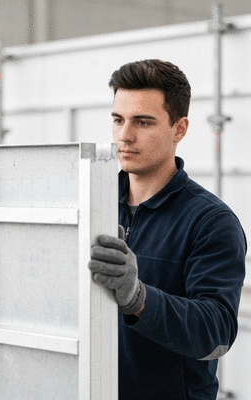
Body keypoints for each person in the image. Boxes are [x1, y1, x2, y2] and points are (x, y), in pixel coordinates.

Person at [88, 59, 247, 400]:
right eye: (118, 120)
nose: (124, 136)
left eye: (143, 122)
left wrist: (137, 298)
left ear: (180, 128)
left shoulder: (210, 222)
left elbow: (215, 333)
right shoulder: (90, 207)